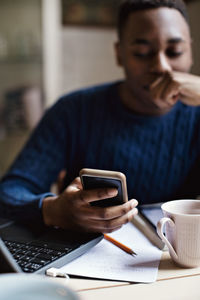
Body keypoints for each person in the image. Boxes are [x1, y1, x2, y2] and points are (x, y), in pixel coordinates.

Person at [1, 0, 200, 234]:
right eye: (142, 53)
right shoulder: (73, 111)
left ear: (191, 53)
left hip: (176, 263)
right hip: (82, 259)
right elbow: (9, 192)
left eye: (174, 51)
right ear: (119, 54)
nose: (161, 66)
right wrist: (52, 209)